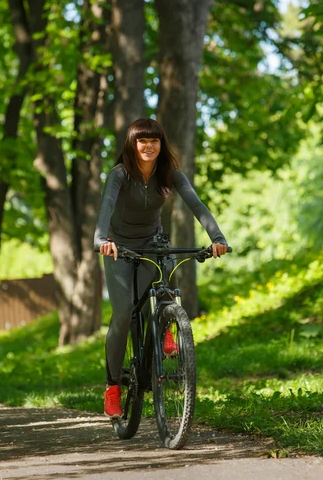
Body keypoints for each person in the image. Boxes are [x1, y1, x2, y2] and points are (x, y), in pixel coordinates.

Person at [94, 118, 227, 418]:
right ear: (132, 144)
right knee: (124, 313)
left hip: (153, 242)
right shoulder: (119, 174)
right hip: (119, 247)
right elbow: (106, 206)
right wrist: (101, 239)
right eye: (142, 141)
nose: (148, 146)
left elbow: (197, 204)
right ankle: (112, 386)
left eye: (154, 140)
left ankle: (167, 323)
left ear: (160, 144)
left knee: (166, 286)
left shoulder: (170, 174)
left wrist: (216, 238)